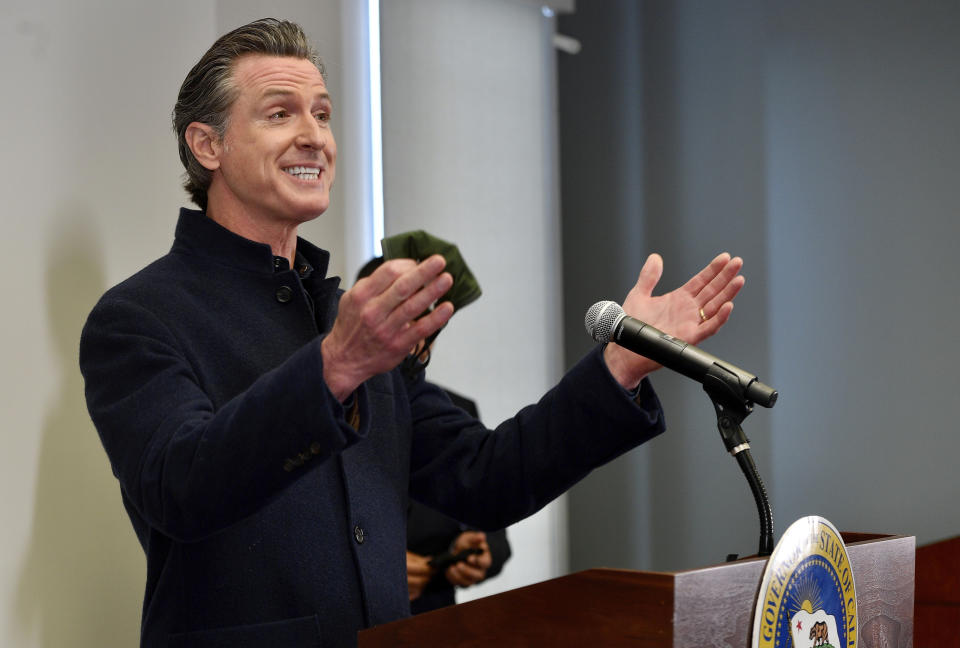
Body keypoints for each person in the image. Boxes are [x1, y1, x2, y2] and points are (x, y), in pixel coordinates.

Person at [79, 18, 745, 648]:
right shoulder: (139, 317)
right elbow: (180, 489)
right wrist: (335, 367)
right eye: (280, 113)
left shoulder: (345, 317)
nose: (314, 135)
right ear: (208, 145)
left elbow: (485, 478)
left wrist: (618, 368)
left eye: (323, 113)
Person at [355, 257, 512, 614]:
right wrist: (380, 565)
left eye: (426, 317)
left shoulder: (456, 407)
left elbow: (492, 519)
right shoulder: (330, 406)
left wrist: (482, 552)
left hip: (434, 620)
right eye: (400, 312)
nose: (416, 331)